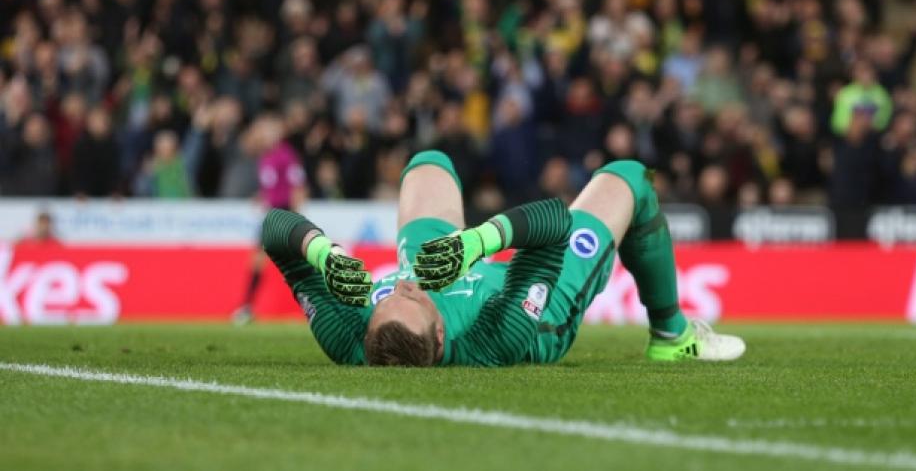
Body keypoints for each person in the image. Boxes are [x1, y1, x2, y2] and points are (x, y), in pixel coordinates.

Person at [261, 150, 744, 366]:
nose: (400, 285)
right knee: (631, 176)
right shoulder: (499, 338)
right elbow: (554, 225)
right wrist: (477, 243)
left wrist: (322, 253)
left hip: (453, 269)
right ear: (441, 332)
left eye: (387, 296)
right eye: (412, 296)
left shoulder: (349, 338)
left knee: (429, 162)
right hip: (539, 294)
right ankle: (671, 335)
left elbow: (272, 230)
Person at [233, 114, 307, 324]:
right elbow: (273, 185)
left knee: (294, 263)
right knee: (258, 261)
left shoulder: (286, 155)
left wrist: (293, 218)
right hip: (271, 213)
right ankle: (247, 307)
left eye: (268, 131)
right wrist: (262, 197)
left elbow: (298, 187)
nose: (263, 135)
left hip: (284, 214)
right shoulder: (265, 156)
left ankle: (315, 308)